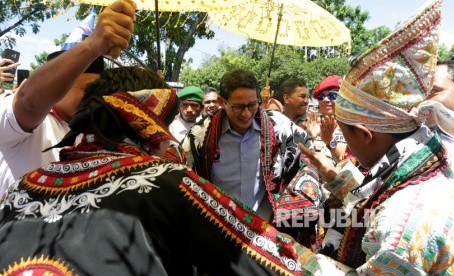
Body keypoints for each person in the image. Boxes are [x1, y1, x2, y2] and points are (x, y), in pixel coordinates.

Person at [0, 66, 314, 275]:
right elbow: (271, 260)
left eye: (252, 106)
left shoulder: (23, 187)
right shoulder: (166, 180)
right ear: (148, 121)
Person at [299, 0, 454, 273]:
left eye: (344, 130)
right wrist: (333, 174)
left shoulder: (399, 225)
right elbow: (381, 188)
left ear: (364, 134)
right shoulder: (438, 147)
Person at [0, 0, 135, 199]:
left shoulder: (101, 132)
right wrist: (93, 45)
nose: (94, 98)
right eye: (87, 89)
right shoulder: (23, 121)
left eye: (97, 90)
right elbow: (28, 101)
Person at [181, 68, 321, 238]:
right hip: (218, 232)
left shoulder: (281, 128)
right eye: (238, 107)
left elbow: (309, 156)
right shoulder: (199, 137)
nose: (246, 113)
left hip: (266, 233)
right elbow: (185, 179)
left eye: (252, 105)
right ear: (221, 102)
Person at [305, 75, 346, 163]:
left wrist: (329, 141)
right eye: (321, 96)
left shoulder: (352, 126)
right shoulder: (311, 123)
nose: (325, 100)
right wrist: (310, 137)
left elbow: (352, 161)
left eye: (332, 95)